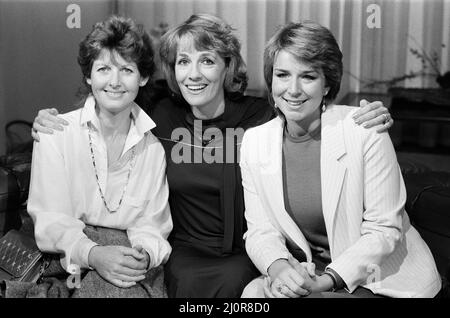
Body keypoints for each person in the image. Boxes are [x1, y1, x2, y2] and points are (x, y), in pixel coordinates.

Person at [31, 14, 393, 298]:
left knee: (244, 286)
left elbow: (303, 101)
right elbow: (112, 96)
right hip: (185, 251)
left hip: (251, 250)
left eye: (207, 61)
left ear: (226, 66)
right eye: (183, 62)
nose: (193, 74)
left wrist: (361, 114)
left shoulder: (261, 116)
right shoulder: (159, 112)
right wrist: (50, 122)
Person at [239, 21, 441, 298]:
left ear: (327, 84)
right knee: (252, 294)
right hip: (310, 271)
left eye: (308, 76)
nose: (293, 89)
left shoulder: (364, 130)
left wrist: (327, 281)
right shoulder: (254, 142)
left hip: (378, 278)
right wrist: (279, 269)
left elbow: (383, 230)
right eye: (282, 75)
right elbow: (260, 230)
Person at [26, 16, 172, 298]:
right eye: (104, 68)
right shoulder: (55, 133)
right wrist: (94, 255)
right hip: (69, 256)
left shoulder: (152, 147)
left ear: (142, 78)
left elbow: (153, 224)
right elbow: (51, 220)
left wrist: (145, 253)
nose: (115, 82)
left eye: (127, 70)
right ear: (89, 76)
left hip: (129, 255)